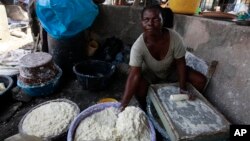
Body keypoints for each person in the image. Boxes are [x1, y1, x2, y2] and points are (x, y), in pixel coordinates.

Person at [120, 5, 207, 111]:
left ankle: (185, 106)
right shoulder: (138, 47)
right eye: (146, 20)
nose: (150, 24)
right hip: (150, 73)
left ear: (162, 21)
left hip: (170, 71)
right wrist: (122, 105)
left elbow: (180, 63)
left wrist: (182, 88)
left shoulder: (175, 38)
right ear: (141, 22)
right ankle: (145, 109)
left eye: (155, 19)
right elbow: (134, 75)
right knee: (139, 86)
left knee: (200, 80)